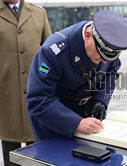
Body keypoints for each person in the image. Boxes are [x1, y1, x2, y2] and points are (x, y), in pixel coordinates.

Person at [26, 10, 127, 142]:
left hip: (86, 115)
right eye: (101, 56)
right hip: (55, 120)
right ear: (88, 35)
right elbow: (38, 99)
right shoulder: (53, 52)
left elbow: (111, 72)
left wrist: (100, 100)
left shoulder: (107, 43)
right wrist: (76, 123)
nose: (105, 61)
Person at [0, 0, 51, 165]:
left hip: (36, 93)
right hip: (6, 92)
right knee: (10, 145)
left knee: (37, 146)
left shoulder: (39, 13)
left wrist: (43, 77)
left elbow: (49, 55)